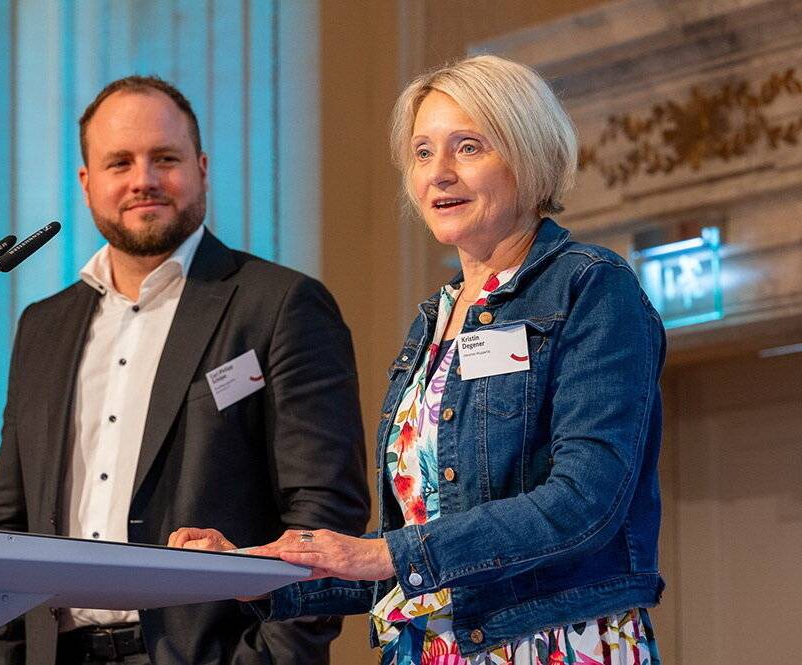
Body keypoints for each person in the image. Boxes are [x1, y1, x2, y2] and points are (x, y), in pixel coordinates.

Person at [170, 55, 666, 665]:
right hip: (428, 647)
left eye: (469, 147)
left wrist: (388, 555)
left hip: (553, 643)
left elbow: (587, 500)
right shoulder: (435, 319)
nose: (440, 174)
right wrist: (252, 570)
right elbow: (412, 544)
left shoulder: (590, 288)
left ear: (527, 156)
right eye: (424, 153)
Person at [0, 75, 370, 665]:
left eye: (165, 158)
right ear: (86, 184)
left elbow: (324, 511)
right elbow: (9, 526)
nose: (144, 181)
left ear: (202, 168)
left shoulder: (279, 306)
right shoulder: (42, 326)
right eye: (119, 163)